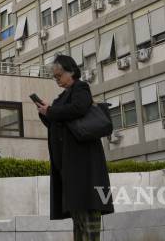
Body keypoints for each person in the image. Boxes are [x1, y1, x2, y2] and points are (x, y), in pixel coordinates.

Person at [35, 54, 114, 241]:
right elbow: (60, 124)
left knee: (88, 215)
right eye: (55, 77)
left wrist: (51, 111)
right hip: (70, 166)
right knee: (78, 216)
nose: (57, 80)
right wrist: (46, 113)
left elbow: (79, 108)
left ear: (71, 72)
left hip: (84, 165)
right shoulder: (62, 97)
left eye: (59, 76)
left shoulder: (80, 87)